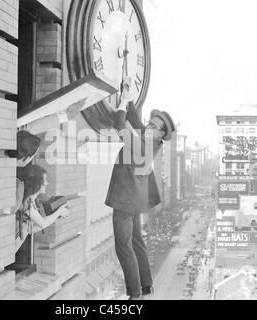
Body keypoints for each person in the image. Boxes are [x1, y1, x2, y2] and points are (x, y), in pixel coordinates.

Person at [105, 77, 176, 300]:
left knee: (123, 246)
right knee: (136, 241)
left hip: (126, 199)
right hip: (135, 199)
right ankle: (146, 288)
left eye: (154, 126)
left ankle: (134, 295)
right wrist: (129, 98)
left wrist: (121, 103)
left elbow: (120, 126)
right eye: (150, 122)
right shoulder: (151, 139)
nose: (148, 127)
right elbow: (136, 122)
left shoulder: (143, 145)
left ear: (161, 134)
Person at [16, 164, 69, 241]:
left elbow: (30, 229)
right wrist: (59, 211)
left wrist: (55, 217)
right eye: (45, 180)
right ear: (37, 183)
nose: (47, 183)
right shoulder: (27, 203)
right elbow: (42, 223)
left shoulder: (29, 200)